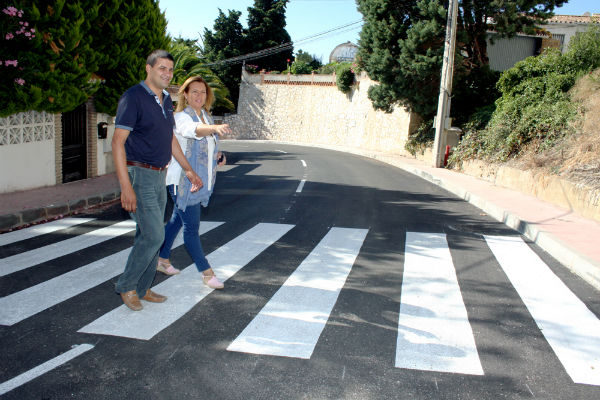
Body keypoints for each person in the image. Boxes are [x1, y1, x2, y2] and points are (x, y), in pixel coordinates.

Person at [112, 50, 202, 311]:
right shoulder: (133, 97)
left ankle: (142, 287)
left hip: (159, 175)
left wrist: (188, 169)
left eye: (171, 69)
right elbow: (118, 142)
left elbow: (170, 138)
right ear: (148, 69)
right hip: (138, 174)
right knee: (154, 235)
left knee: (147, 233)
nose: (167, 73)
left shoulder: (165, 100)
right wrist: (125, 186)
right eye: (162, 68)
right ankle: (127, 285)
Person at [156, 75, 230, 289]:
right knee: (191, 228)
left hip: (200, 181)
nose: (199, 95)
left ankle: (162, 259)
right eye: (194, 91)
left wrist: (219, 157)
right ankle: (207, 273)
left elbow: (209, 147)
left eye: (203, 91)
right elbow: (193, 131)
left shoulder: (206, 117)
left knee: (177, 220)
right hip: (182, 181)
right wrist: (214, 129)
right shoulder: (180, 118)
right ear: (186, 95)